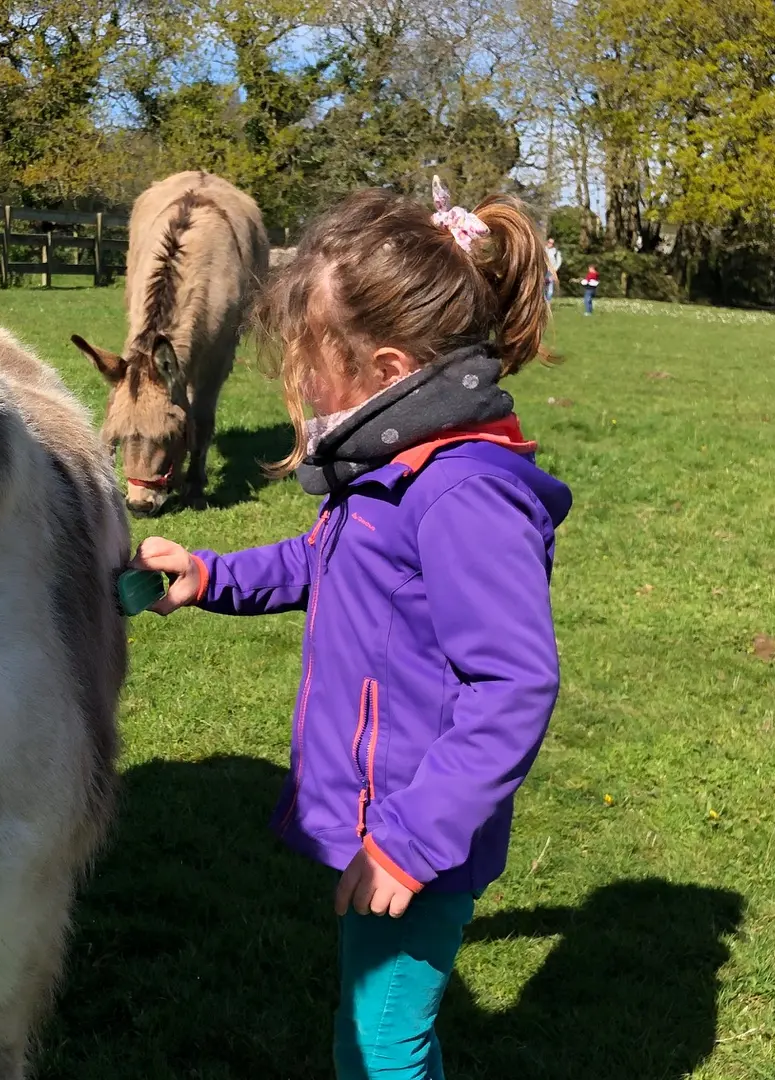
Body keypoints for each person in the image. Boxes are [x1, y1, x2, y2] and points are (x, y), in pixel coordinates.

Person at [131, 179, 570, 1080]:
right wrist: (210, 576)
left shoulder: (460, 491)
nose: (296, 384)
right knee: (369, 1028)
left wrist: (411, 842)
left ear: (388, 369)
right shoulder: (389, 471)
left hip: (419, 834)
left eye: (308, 361)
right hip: (388, 821)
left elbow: (515, 684)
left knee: (384, 1045)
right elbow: (318, 562)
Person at [543, 236, 562, 303]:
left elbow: (559, 261)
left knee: (550, 289)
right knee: (543, 287)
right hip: (543, 271)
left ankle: (548, 301)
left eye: (552, 243)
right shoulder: (543, 250)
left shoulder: (556, 251)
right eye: (549, 242)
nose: (550, 244)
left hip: (552, 271)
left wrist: (554, 269)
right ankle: (544, 301)